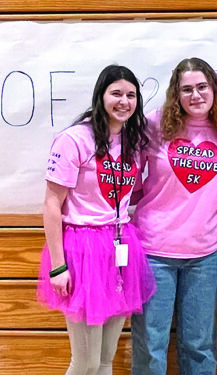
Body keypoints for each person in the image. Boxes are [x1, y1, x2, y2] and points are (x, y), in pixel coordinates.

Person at [37, 64, 156, 375]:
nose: (124, 101)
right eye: (116, 93)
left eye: (131, 95)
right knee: (85, 362)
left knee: (106, 357)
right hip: (82, 248)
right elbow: (52, 204)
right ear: (100, 96)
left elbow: (136, 191)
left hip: (120, 244)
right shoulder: (74, 139)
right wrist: (58, 266)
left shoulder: (134, 141)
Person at [130, 57, 217, 375]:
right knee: (151, 346)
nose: (195, 95)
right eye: (186, 89)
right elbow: (130, 176)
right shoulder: (155, 124)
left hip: (203, 255)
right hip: (154, 252)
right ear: (176, 94)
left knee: (199, 345)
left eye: (202, 87)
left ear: (214, 90)